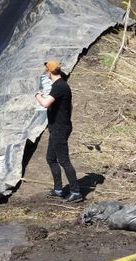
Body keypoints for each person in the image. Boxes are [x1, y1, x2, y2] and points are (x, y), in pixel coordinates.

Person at [35, 60, 82, 203]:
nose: (45, 73)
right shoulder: (61, 85)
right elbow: (69, 106)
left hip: (59, 129)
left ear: (49, 72)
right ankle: (58, 190)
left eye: (46, 71)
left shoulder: (59, 86)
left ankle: (76, 192)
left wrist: (37, 95)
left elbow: (45, 103)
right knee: (50, 158)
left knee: (64, 160)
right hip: (58, 127)